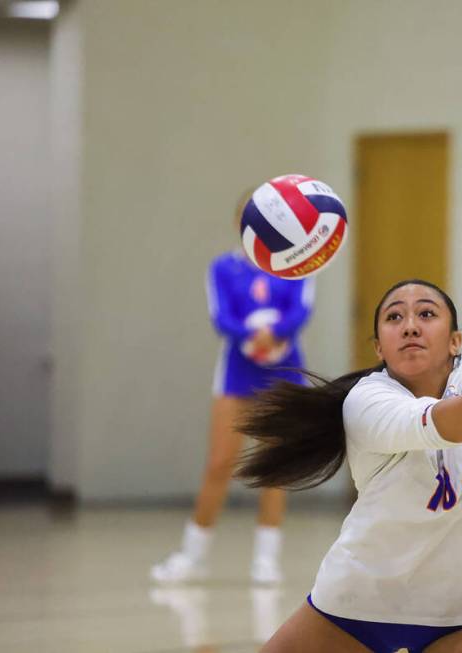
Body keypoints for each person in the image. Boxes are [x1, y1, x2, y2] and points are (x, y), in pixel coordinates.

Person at [237, 279, 462, 653]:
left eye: (426, 313)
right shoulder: (367, 399)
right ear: (379, 347)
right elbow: (441, 425)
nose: (410, 325)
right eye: (395, 317)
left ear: (455, 340)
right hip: (359, 605)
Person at [151, 196, 316, 585]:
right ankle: (193, 557)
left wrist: (274, 333)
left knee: (276, 464)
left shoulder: (296, 265)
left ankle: (266, 559)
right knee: (220, 463)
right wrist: (249, 336)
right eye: (250, 219)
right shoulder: (224, 268)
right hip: (239, 372)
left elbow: (301, 310)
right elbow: (221, 316)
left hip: (283, 371)